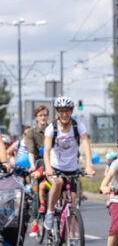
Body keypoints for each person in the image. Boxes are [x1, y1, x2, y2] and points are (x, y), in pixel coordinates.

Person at [43, 97, 95, 230]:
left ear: (72, 111)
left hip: (71, 168)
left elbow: (86, 144)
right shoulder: (51, 128)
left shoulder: (78, 126)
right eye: (61, 111)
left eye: (67, 111)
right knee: (58, 183)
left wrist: (89, 165)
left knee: (72, 201)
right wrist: (48, 168)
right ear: (57, 112)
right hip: (55, 168)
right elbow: (47, 150)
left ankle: (72, 237)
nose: (64, 114)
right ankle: (50, 212)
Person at [25, 105, 49, 237]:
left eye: (45, 115)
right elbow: (30, 151)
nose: (43, 118)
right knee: (35, 195)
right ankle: (35, 224)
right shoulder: (31, 133)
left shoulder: (52, 129)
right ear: (36, 118)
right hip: (39, 163)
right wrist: (33, 165)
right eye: (40, 115)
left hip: (51, 162)